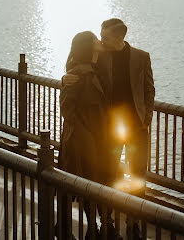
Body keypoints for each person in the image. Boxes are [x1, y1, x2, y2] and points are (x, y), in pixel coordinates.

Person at [63, 19, 155, 240]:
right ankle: (108, 222)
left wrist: (146, 118)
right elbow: (77, 66)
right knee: (108, 176)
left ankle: (134, 223)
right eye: (101, 37)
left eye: (106, 38)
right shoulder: (99, 56)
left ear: (120, 38)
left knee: (137, 176)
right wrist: (65, 78)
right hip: (108, 129)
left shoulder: (141, 57)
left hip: (137, 129)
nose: (102, 41)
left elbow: (149, 89)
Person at [58, 31, 121, 240]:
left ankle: (101, 227)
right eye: (95, 39)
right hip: (84, 141)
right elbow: (67, 110)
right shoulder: (78, 74)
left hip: (101, 137)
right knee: (87, 183)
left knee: (100, 181)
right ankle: (93, 229)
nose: (99, 41)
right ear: (88, 46)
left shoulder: (97, 67)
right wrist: (85, 136)